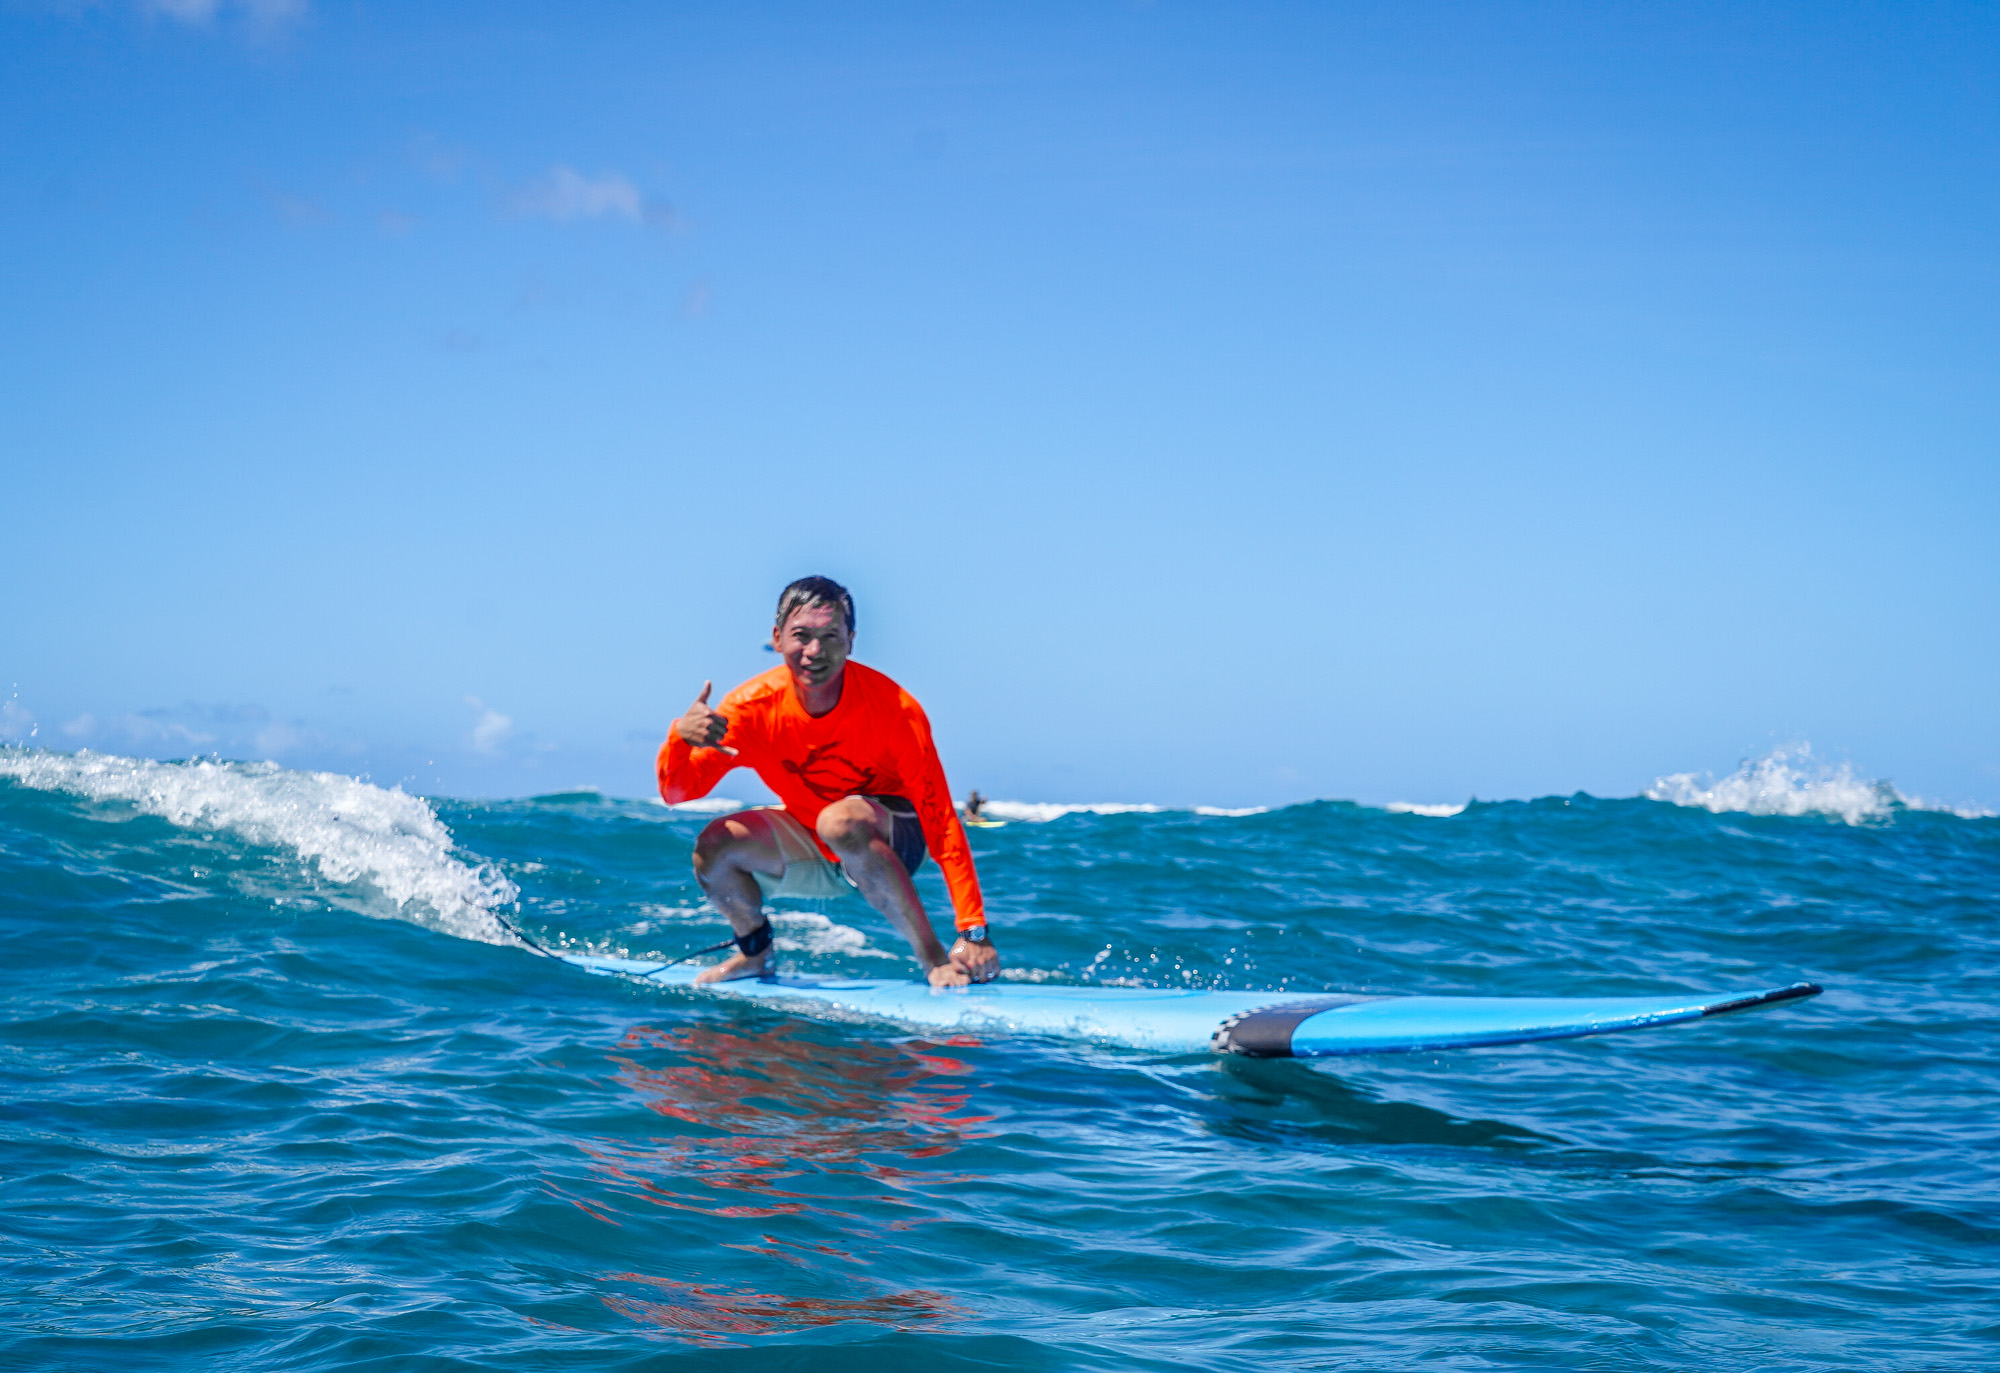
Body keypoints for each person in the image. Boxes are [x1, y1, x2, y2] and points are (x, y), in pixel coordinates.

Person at [660, 576, 1000, 988]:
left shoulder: (895, 711)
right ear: (777, 637)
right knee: (715, 846)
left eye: (831, 636)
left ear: (851, 640)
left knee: (839, 822)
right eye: (801, 636)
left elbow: (942, 820)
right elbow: (678, 792)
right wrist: (680, 737)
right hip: (817, 839)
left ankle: (933, 961)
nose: (814, 652)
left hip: (894, 836)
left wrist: (973, 931)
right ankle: (755, 954)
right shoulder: (751, 710)